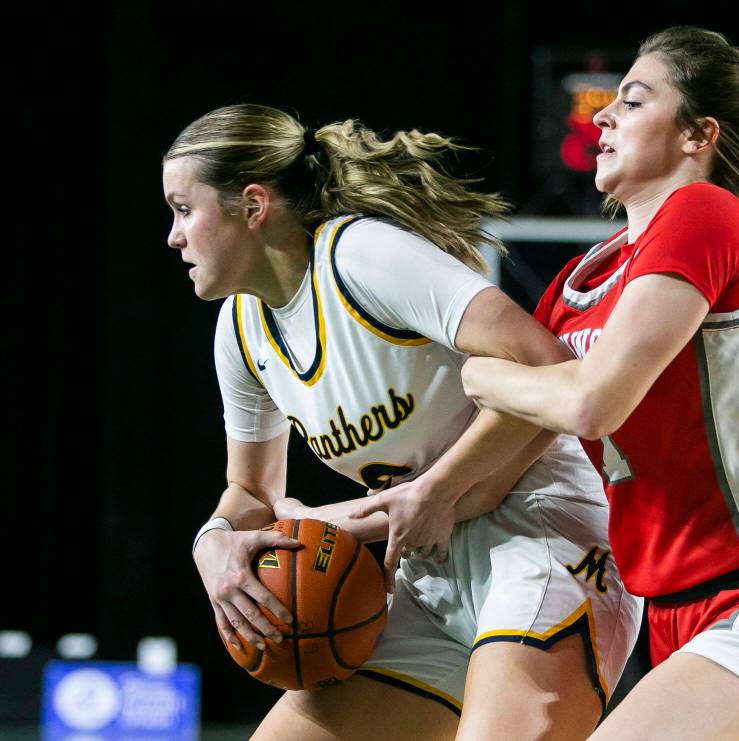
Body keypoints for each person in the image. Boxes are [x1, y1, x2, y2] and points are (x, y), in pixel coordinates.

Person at [163, 104, 642, 741]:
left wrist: (438, 490)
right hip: (426, 569)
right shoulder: (241, 330)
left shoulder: (361, 256)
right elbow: (253, 493)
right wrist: (212, 544)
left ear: (253, 206)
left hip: (544, 532)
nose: (173, 236)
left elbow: (549, 367)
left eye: (183, 208)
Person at [460, 26, 739, 741]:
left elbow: (591, 401)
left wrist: (479, 372)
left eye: (633, 100)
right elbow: (501, 461)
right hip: (678, 618)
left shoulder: (706, 210)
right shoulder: (580, 279)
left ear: (697, 135)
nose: (602, 116)